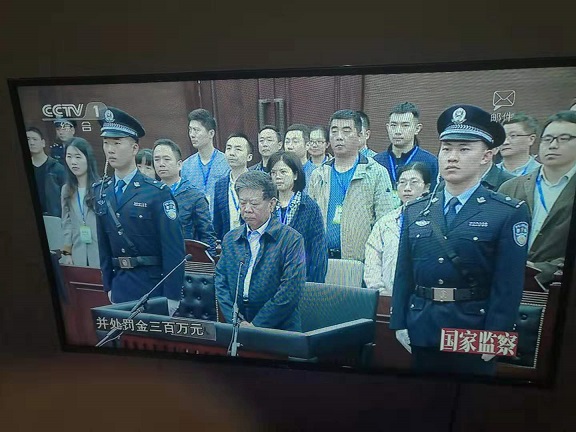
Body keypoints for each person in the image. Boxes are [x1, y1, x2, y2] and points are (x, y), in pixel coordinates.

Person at [390, 104, 530, 376]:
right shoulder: (416, 209)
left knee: (469, 400)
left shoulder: (506, 212)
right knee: (421, 398)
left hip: (474, 328)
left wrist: (498, 335)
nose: (452, 157)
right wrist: (399, 322)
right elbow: (404, 272)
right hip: (423, 323)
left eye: (464, 149)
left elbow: (509, 283)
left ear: (486, 156)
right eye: (446, 149)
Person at [93, 107, 185, 314]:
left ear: (134, 148)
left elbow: (173, 249)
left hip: (152, 288)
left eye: (117, 143)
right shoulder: (101, 190)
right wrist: (108, 285)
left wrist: (172, 296)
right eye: (106, 143)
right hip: (119, 285)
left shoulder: (156, 192)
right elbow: (103, 245)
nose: (110, 150)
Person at [215, 170, 306, 331]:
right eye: (243, 203)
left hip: (279, 330)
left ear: (271, 204)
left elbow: (289, 291)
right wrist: (235, 321)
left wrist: (257, 325)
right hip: (237, 327)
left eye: (254, 204)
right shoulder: (231, 239)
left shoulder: (291, 240)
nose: (247, 209)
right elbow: (221, 283)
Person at [499, 110, 576, 287]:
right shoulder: (510, 187)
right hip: (508, 283)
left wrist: (542, 270)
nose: (553, 145)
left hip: (561, 288)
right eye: (547, 139)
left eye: (564, 139)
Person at [308, 109, 397, 262]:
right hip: (322, 260)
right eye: (334, 131)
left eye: (346, 131)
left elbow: (385, 223)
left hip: (360, 262)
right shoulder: (319, 174)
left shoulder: (376, 172)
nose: (339, 137)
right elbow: (310, 219)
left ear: (360, 135)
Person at [364, 162, 431, 295]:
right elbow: (373, 258)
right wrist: (379, 290)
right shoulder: (385, 222)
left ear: (426, 187)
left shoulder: (434, 220)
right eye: (402, 182)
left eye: (414, 182)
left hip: (423, 297)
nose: (407, 188)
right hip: (387, 295)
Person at [268, 151, 328, 283]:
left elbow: (318, 251)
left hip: (300, 279)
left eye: (283, 172)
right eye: (273, 173)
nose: (278, 177)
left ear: (295, 175)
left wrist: (313, 285)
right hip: (270, 280)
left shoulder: (309, 207)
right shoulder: (267, 206)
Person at [153, 139, 217, 256]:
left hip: (185, 259)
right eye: (157, 159)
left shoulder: (195, 196)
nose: (161, 164)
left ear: (179, 165)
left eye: (167, 159)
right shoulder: (149, 194)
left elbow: (207, 236)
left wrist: (207, 263)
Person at [374, 102, 439, 190]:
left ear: (417, 129)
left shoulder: (431, 162)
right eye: (393, 125)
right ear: (388, 127)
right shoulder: (376, 162)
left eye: (405, 125)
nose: (398, 131)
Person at [60, 137, 101, 267]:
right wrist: (67, 253)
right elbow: (66, 223)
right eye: (69, 157)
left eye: (78, 157)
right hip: (78, 253)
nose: (73, 162)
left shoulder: (100, 188)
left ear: (88, 158)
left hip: (100, 252)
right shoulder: (66, 190)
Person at [180, 109, 230, 214]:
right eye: (190, 130)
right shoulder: (186, 166)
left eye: (196, 130)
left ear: (211, 133)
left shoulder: (226, 162)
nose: (192, 135)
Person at [213, 133, 253, 240]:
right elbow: (217, 222)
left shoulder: (257, 183)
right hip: (228, 242)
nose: (232, 153)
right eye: (228, 148)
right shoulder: (220, 185)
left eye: (238, 149)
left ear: (249, 157)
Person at [27, 126, 66, 217]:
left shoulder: (57, 168)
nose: (31, 143)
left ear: (43, 143)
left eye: (35, 139)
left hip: (54, 217)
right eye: (28, 139)